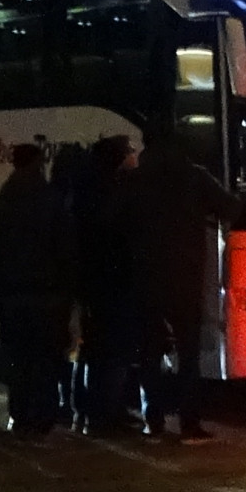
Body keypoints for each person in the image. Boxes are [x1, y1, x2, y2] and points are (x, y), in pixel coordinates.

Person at [130, 140, 230, 443]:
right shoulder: (195, 176)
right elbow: (231, 207)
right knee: (188, 354)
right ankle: (189, 424)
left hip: (146, 277)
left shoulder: (136, 180)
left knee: (149, 351)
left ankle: (153, 421)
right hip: (185, 277)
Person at [0, 142, 71, 434]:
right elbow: (65, 249)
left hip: (11, 295)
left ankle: (19, 415)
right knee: (45, 358)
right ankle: (43, 417)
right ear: (36, 163)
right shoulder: (51, 201)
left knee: (18, 360)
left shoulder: (2, 203)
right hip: (47, 295)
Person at [72, 133, 141, 432]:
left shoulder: (88, 189)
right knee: (112, 353)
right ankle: (105, 416)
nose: (134, 156)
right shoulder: (110, 192)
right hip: (112, 284)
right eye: (129, 152)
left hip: (96, 283)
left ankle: (90, 412)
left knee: (95, 351)